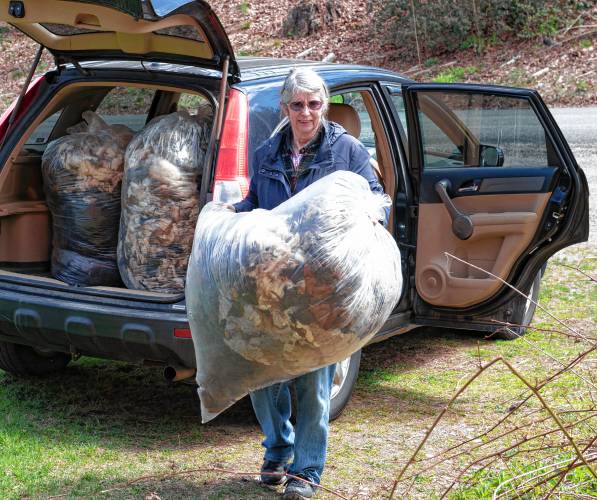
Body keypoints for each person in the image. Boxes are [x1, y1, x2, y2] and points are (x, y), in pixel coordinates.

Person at [230, 67, 386, 499]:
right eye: (297, 105)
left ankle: (308, 470)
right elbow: (256, 203)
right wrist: (232, 214)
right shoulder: (266, 152)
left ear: (325, 105)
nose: (305, 113)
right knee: (263, 377)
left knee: (314, 383)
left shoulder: (348, 151)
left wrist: (372, 216)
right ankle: (277, 450)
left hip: (322, 287)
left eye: (314, 104)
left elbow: (377, 197)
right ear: (285, 108)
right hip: (274, 283)